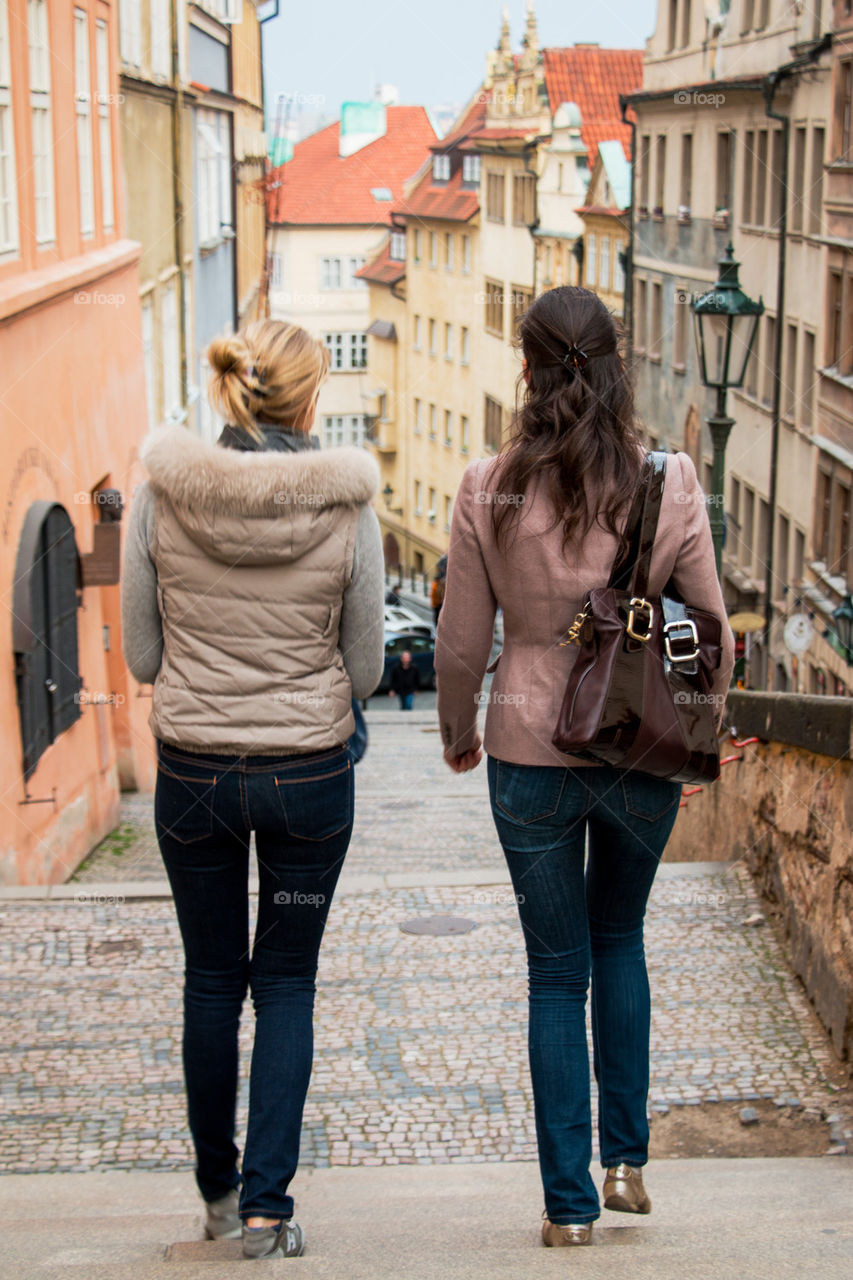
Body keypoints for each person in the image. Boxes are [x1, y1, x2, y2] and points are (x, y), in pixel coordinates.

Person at [434, 286, 734, 1247]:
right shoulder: (668, 480)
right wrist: (702, 731)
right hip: (637, 749)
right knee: (621, 944)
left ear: (524, 371)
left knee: (554, 973)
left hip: (526, 751)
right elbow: (713, 636)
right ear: (616, 366)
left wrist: (455, 730)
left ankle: (567, 1211)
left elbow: (455, 642)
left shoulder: (488, 485)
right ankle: (626, 1162)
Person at [121, 319, 385, 1259]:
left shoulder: (159, 501)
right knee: (285, 982)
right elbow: (363, 673)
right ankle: (271, 1208)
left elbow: (144, 655)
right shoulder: (349, 512)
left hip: (193, 775)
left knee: (207, 979)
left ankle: (218, 1195)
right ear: (311, 399)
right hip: (307, 779)